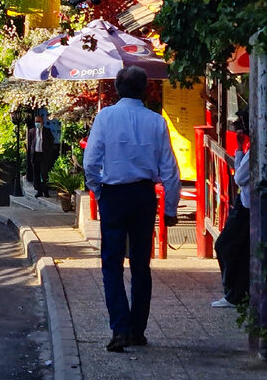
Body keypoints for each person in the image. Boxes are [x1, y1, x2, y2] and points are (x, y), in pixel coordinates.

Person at [83, 65, 181, 353]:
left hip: (113, 194)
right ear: (145, 89)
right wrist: (171, 209)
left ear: (117, 89)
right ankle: (137, 330)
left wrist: (99, 190)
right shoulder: (156, 121)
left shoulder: (105, 117)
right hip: (143, 195)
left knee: (111, 263)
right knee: (141, 264)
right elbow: (170, 169)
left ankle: (120, 328)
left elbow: (91, 162)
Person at [213, 110, 250, 308]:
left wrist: (239, 148)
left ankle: (232, 291)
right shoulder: (252, 147)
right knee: (242, 250)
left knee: (225, 245)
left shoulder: (255, 150)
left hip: (246, 206)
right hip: (246, 203)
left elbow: (240, 177)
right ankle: (238, 292)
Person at [26, 110, 56, 198]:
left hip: (44, 155)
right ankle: (38, 191)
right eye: (36, 122)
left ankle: (45, 190)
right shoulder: (31, 131)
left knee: (44, 173)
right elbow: (30, 143)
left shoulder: (47, 131)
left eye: (39, 121)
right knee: (36, 174)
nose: (37, 123)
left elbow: (51, 142)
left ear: (42, 122)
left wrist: (49, 152)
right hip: (35, 155)